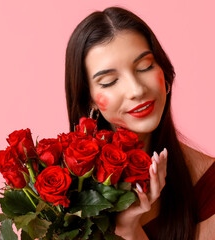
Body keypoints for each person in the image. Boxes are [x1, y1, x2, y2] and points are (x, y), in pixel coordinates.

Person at [65, 6, 215, 240]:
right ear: (89, 100)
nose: (136, 90)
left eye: (145, 67)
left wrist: (130, 230)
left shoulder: (208, 184)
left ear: (164, 72)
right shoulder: (63, 193)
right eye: (109, 81)